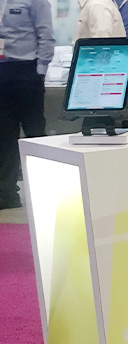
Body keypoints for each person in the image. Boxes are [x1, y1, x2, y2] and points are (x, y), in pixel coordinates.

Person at [0, 0, 54, 209]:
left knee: (35, 132)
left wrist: (40, 72)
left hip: (27, 70)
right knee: (5, 134)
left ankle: (46, 191)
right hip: (3, 70)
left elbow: (46, 35)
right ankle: (7, 194)